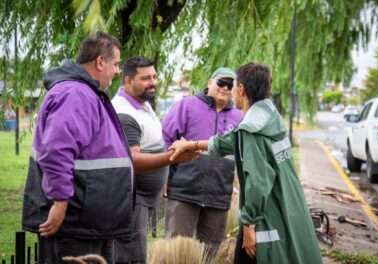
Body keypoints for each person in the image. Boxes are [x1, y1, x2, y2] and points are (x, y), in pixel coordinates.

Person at [169, 63, 323, 264]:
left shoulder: (251, 129)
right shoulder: (269, 117)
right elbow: (229, 141)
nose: (230, 91)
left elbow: (258, 182)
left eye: (233, 86)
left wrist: (249, 225)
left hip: (266, 213)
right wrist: (191, 144)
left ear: (240, 89)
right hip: (289, 202)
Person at [22, 32, 133, 264]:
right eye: (116, 64)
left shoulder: (86, 93)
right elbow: (57, 151)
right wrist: (60, 201)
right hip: (75, 223)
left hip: (88, 221)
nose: (117, 71)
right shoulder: (76, 94)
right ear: (100, 62)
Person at [111, 56, 197, 264]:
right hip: (132, 198)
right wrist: (172, 158)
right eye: (145, 78)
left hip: (144, 199)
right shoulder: (124, 112)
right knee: (131, 256)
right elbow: (133, 160)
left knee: (138, 251)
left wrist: (163, 177)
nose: (153, 82)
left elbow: (153, 144)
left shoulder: (143, 104)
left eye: (154, 76)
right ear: (128, 80)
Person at [162, 67, 243, 260]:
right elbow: (166, 140)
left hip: (219, 196)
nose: (225, 88)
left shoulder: (239, 117)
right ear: (209, 83)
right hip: (184, 192)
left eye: (230, 85)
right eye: (220, 83)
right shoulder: (187, 105)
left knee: (211, 252)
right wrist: (164, 177)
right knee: (175, 250)